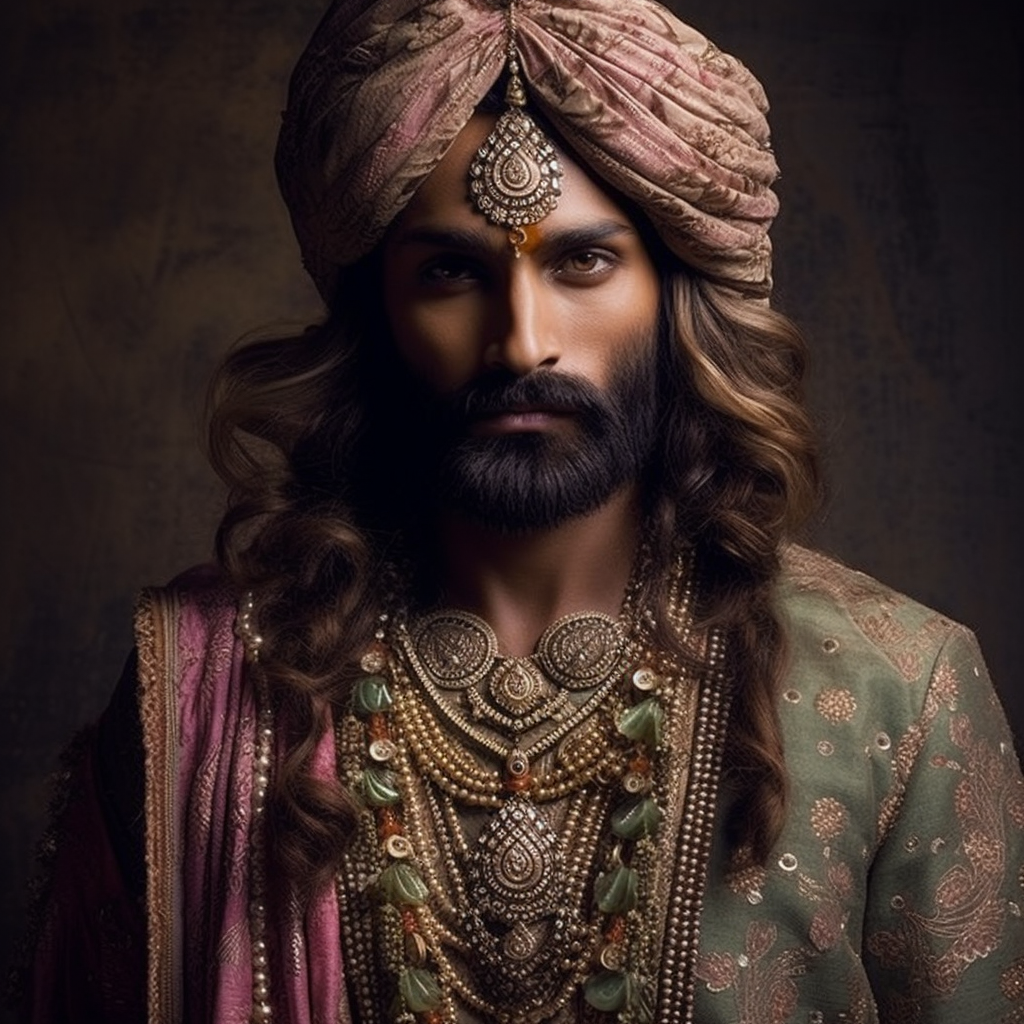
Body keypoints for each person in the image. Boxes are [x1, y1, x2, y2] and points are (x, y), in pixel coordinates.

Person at [9, 0, 1024, 1021]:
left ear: (678, 295)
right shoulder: (209, 681)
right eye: (452, 270)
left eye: (583, 261)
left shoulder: (898, 689)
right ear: (378, 312)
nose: (521, 340)